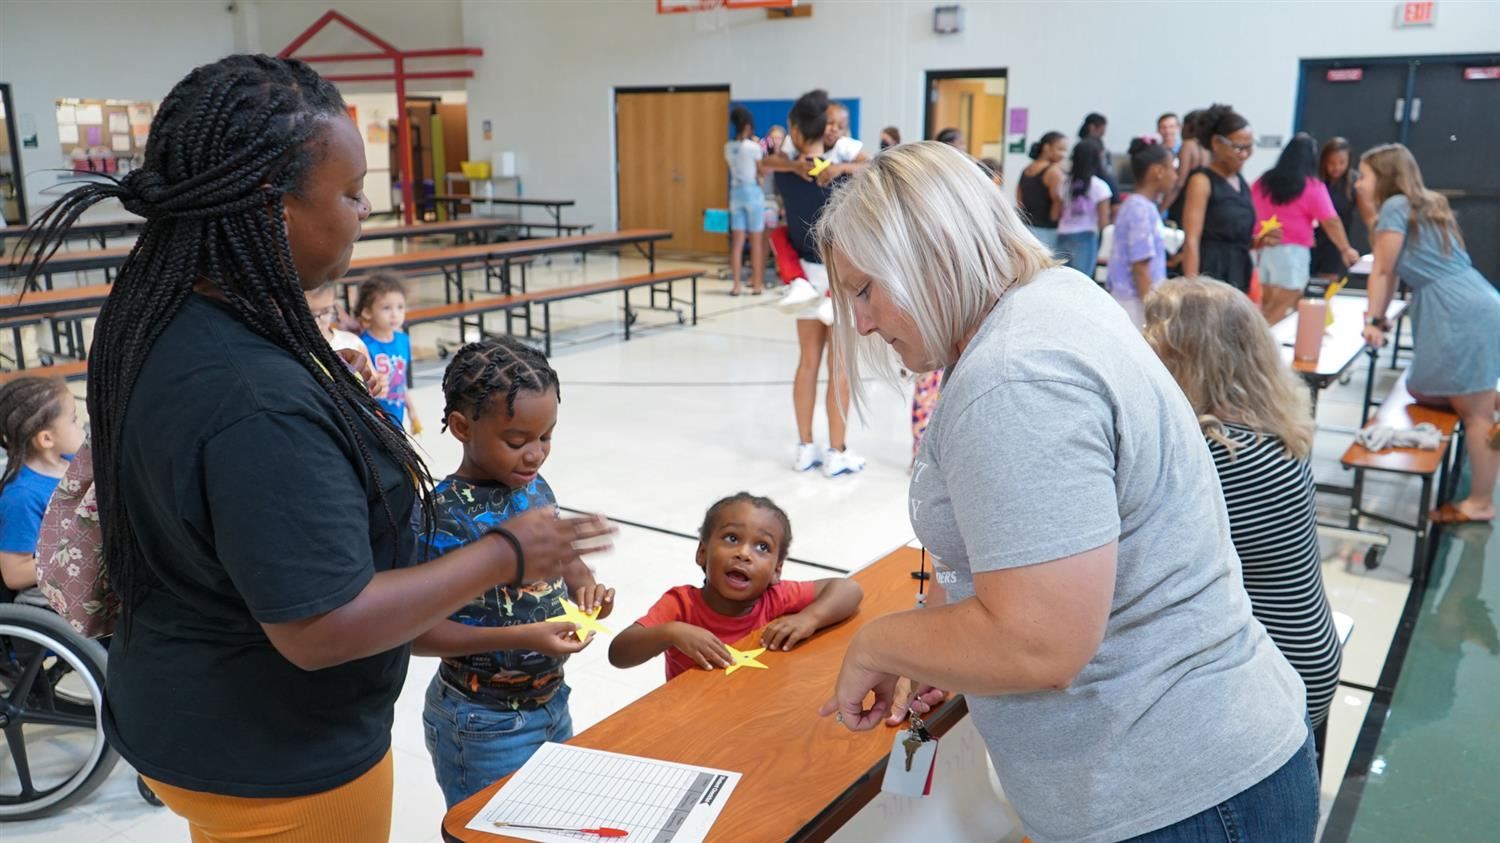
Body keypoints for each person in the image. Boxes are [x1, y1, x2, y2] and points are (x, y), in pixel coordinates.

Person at [13, 54, 612, 841]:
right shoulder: (258, 400)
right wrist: (506, 550)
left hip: (184, 706)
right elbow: (322, 625)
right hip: (276, 759)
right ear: (271, 208)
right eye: (353, 191)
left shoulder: (166, 316)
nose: (367, 209)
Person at [815, 142, 1317, 842]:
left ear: (930, 256)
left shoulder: (1014, 378)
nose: (862, 320)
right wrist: (944, 641)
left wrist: (882, 644)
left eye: (866, 288)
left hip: (1175, 794)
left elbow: (1039, 641)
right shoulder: (1052, 300)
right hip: (1204, 770)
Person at [1144, 276, 1343, 768]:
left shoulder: (1220, 455)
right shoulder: (1272, 426)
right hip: (1310, 643)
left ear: (1187, 363)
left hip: (1276, 664)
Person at [415, 338, 615, 807]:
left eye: (546, 437)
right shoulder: (442, 516)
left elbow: (567, 563)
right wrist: (526, 636)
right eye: (517, 441)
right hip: (481, 723)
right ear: (462, 427)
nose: (536, 455)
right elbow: (417, 635)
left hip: (551, 702)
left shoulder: (535, 486)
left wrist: (586, 591)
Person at [1357, 143, 1500, 525]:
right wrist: (1381, 314)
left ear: (1384, 176)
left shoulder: (1394, 207)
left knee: (1474, 416)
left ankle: (1481, 503)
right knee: (1423, 386)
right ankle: (1490, 398)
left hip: (1459, 311)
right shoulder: (1427, 204)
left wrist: (1373, 320)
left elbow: (1384, 271)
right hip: (1474, 299)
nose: (1359, 183)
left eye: (1364, 175)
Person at [609, 493, 861, 678]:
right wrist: (671, 632)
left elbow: (848, 589)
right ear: (702, 552)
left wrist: (809, 618)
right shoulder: (680, 605)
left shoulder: (775, 597)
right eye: (732, 538)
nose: (744, 553)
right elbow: (618, 654)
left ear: (777, 570)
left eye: (762, 547)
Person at [774, 91, 865, 477]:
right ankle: (837, 452)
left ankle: (804, 446)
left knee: (807, 361)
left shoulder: (784, 172)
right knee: (839, 367)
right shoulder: (838, 174)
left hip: (806, 278)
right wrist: (842, 166)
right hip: (839, 278)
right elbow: (876, 163)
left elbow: (773, 160)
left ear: (795, 130)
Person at [1252, 133, 1360, 322]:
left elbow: (1250, 207)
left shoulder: (1264, 182)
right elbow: (1331, 221)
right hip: (1293, 251)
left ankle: (1259, 343)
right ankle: (1266, 347)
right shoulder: (1310, 186)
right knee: (1285, 302)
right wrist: (1345, 248)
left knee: (1267, 304)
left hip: (1265, 250)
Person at [0, 377, 85, 606]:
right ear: (46, 439)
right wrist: (77, 553)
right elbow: (13, 574)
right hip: (54, 604)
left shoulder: (71, 462)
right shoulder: (22, 496)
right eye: (74, 420)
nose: (81, 426)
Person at [1180, 103, 1278, 293]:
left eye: (1249, 147)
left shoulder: (1240, 182)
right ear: (1217, 143)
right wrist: (1191, 289)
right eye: (1238, 147)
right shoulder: (1202, 181)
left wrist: (1259, 240)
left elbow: (1235, 237)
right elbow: (1192, 240)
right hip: (1210, 272)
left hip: (1238, 270)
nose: (1244, 154)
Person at [1107, 138, 1174, 326]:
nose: (1175, 176)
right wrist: (1152, 314)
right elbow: (1140, 268)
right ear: (1158, 171)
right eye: (1172, 168)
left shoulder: (1136, 205)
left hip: (1133, 299)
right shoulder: (1140, 209)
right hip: (1136, 302)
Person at [356, 271, 422, 434]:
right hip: (374, 418)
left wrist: (411, 410)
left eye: (400, 307)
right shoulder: (363, 345)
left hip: (397, 415)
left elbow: (401, 381)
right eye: (386, 308)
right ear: (367, 312)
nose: (395, 314)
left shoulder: (403, 340)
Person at [305, 282, 387, 397]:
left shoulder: (352, 342)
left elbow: (373, 384)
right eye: (309, 314)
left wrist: (379, 385)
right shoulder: (291, 351)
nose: (318, 321)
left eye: (326, 311)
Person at [1055, 137, 1113, 278]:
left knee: (1062, 281)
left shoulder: (1064, 183)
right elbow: (1103, 222)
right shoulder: (1100, 186)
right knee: (1082, 281)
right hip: (1086, 237)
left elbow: (1058, 212)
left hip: (1062, 234)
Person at [725, 106, 766, 296]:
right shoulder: (754, 147)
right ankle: (757, 284)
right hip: (753, 194)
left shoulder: (727, 147)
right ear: (749, 126)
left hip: (735, 195)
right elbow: (761, 173)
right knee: (756, 242)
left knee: (737, 244)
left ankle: (736, 285)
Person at [1311, 137, 1361, 283]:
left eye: (1341, 163)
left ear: (1349, 161)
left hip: (1336, 243)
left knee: (1329, 284)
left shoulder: (1354, 182)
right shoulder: (1316, 180)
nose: (1336, 168)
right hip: (1313, 239)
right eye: (1331, 163)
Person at [1016, 131, 1066, 249]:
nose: (1063, 154)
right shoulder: (1053, 171)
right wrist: (1054, 224)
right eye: (1060, 149)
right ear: (1047, 147)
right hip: (1046, 229)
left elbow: (1019, 197)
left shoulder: (1027, 169)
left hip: (1026, 227)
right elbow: (1057, 201)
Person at [1163, 109, 1208, 220]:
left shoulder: (1188, 146)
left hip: (1185, 203)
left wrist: (1161, 208)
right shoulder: (1208, 148)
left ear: (1189, 127)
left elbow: (1179, 183)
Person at [1078, 112, 1119, 201]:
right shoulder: (1092, 145)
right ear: (1092, 127)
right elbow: (1104, 171)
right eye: (1103, 127)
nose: (1104, 131)